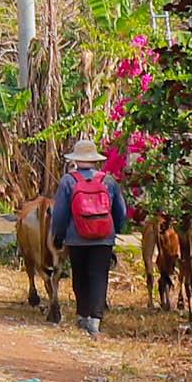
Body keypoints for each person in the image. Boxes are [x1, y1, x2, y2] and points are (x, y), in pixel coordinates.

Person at [53, 137, 132, 336]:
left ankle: (83, 315)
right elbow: (121, 211)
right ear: (96, 160)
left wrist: (58, 236)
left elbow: (60, 213)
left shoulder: (68, 181)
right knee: (99, 276)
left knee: (80, 275)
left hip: (76, 237)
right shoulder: (109, 181)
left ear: (76, 160)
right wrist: (115, 231)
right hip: (103, 238)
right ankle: (95, 320)